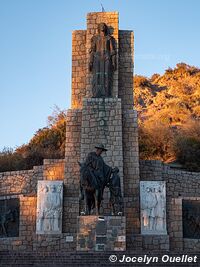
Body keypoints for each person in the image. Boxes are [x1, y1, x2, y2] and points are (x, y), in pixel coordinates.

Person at [89, 23, 117, 98]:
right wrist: (91, 61)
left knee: (107, 75)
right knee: (96, 76)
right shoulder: (95, 38)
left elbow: (113, 51)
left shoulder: (109, 38)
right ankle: (96, 93)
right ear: (98, 28)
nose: (102, 27)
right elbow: (92, 50)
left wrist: (114, 62)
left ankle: (107, 93)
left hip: (107, 58)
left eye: (104, 25)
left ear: (105, 28)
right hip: (97, 58)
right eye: (101, 26)